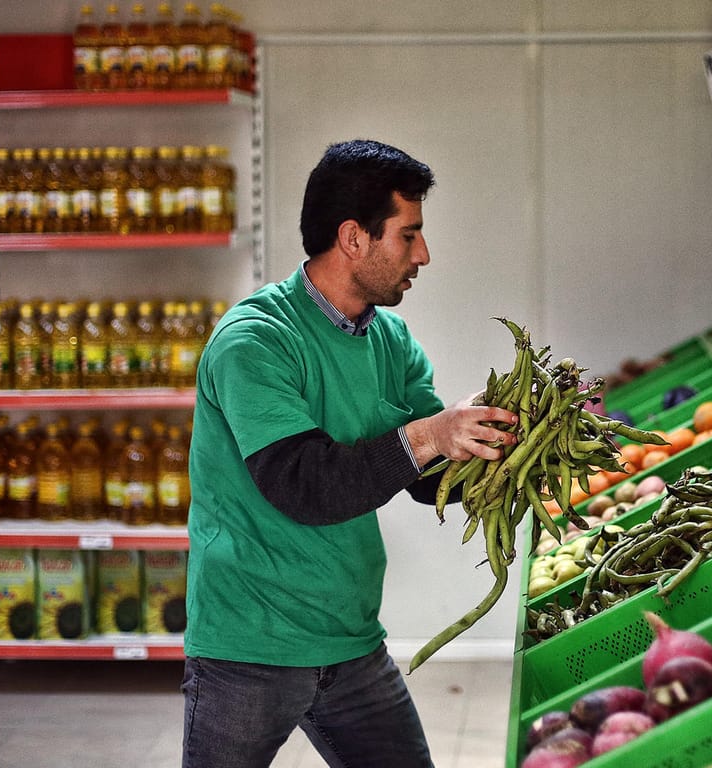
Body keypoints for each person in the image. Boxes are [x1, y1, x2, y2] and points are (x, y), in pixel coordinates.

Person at [181, 138, 518, 768]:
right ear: (353, 238)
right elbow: (304, 485)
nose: (424, 254)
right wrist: (428, 435)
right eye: (408, 235)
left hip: (349, 639)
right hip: (249, 646)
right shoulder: (255, 342)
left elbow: (428, 478)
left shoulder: (388, 339)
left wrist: (501, 448)